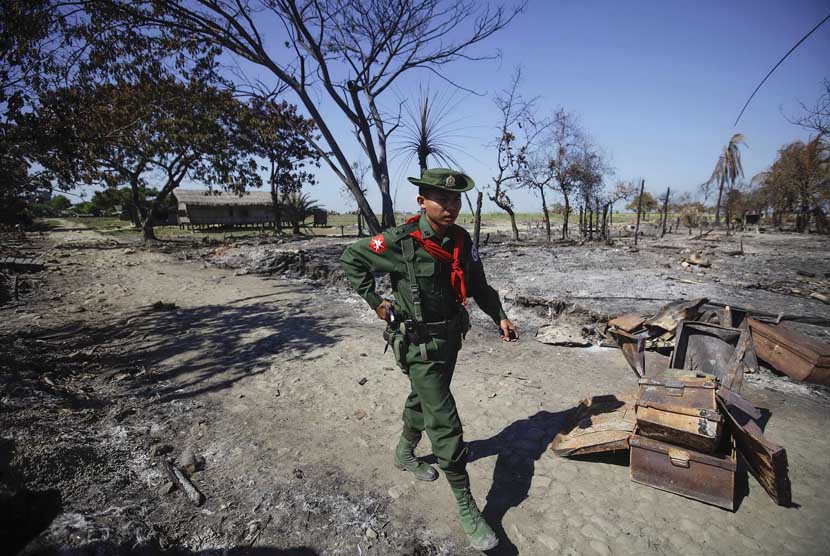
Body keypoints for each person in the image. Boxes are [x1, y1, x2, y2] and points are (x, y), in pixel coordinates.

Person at [339, 168, 519, 551]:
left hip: (450, 340)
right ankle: (468, 506)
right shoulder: (400, 242)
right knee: (445, 421)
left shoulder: (460, 240)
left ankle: (404, 452)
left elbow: (477, 285)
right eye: (443, 199)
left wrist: (499, 315)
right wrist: (377, 302)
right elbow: (351, 259)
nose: (451, 206)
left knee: (423, 399)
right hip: (417, 346)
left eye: (456, 200)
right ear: (422, 202)